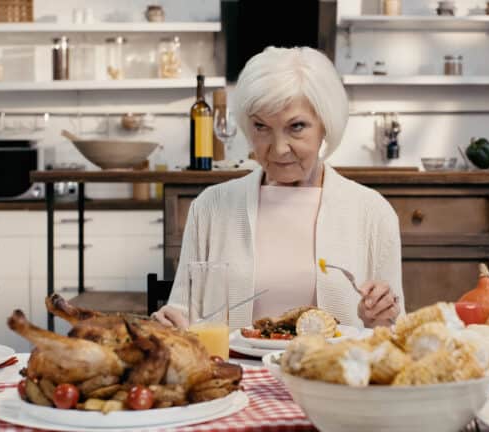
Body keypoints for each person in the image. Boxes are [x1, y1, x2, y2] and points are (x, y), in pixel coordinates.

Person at [152, 46, 403, 329]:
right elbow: (182, 312)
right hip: (234, 372)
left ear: (326, 126)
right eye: (261, 127)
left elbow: (394, 329)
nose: (279, 149)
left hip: (331, 372)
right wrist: (170, 323)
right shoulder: (211, 206)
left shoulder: (373, 212)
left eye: (296, 126)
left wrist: (380, 321)